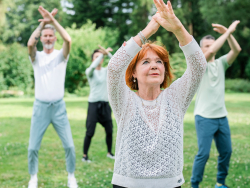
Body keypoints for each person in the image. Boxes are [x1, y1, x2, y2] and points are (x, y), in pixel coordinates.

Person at [107, 0, 207, 187]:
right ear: (134, 73)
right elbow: (113, 69)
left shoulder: (176, 97)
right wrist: (148, 31)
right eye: (145, 62)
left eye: (159, 62)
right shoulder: (124, 100)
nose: (154, 65)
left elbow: (199, 66)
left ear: (165, 70)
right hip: (128, 184)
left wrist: (178, 29)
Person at [27, 6, 77, 188]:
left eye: (50, 35)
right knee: (32, 147)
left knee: (70, 146)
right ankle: (33, 177)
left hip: (59, 108)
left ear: (54, 38)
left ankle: (71, 177)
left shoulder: (61, 56)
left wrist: (52, 21)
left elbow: (68, 39)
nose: (48, 38)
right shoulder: (36, 57)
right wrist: (42, 25)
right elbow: (29, 45)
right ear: (42, 38)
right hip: (40, 108)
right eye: (45, 36)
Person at [191, 21, 241, 188]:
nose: (210, 48)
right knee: (203, 154)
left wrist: (229, 34)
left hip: (221, 117)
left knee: (226, 152)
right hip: (204, 117)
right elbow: (212, 51)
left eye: (211, 45)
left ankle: (220, 183)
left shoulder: (220, 63)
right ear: (200, 49)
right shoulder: (198, 64)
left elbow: (236, 50)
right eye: (206, 46)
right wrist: (227, 33)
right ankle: (195, 184)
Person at [82, 45, 115, 162]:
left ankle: (110, 153)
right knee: (90, 132)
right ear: (93, 59)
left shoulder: (106, 71)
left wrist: (107, 54)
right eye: (96, 57)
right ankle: (85, 156)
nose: (99, 59)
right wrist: (103, 53)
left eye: (100, 57)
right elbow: (93, 66)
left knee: (110, 131)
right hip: (93, 105)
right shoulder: (90, 71)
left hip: (105, 105)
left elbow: (116, 63)